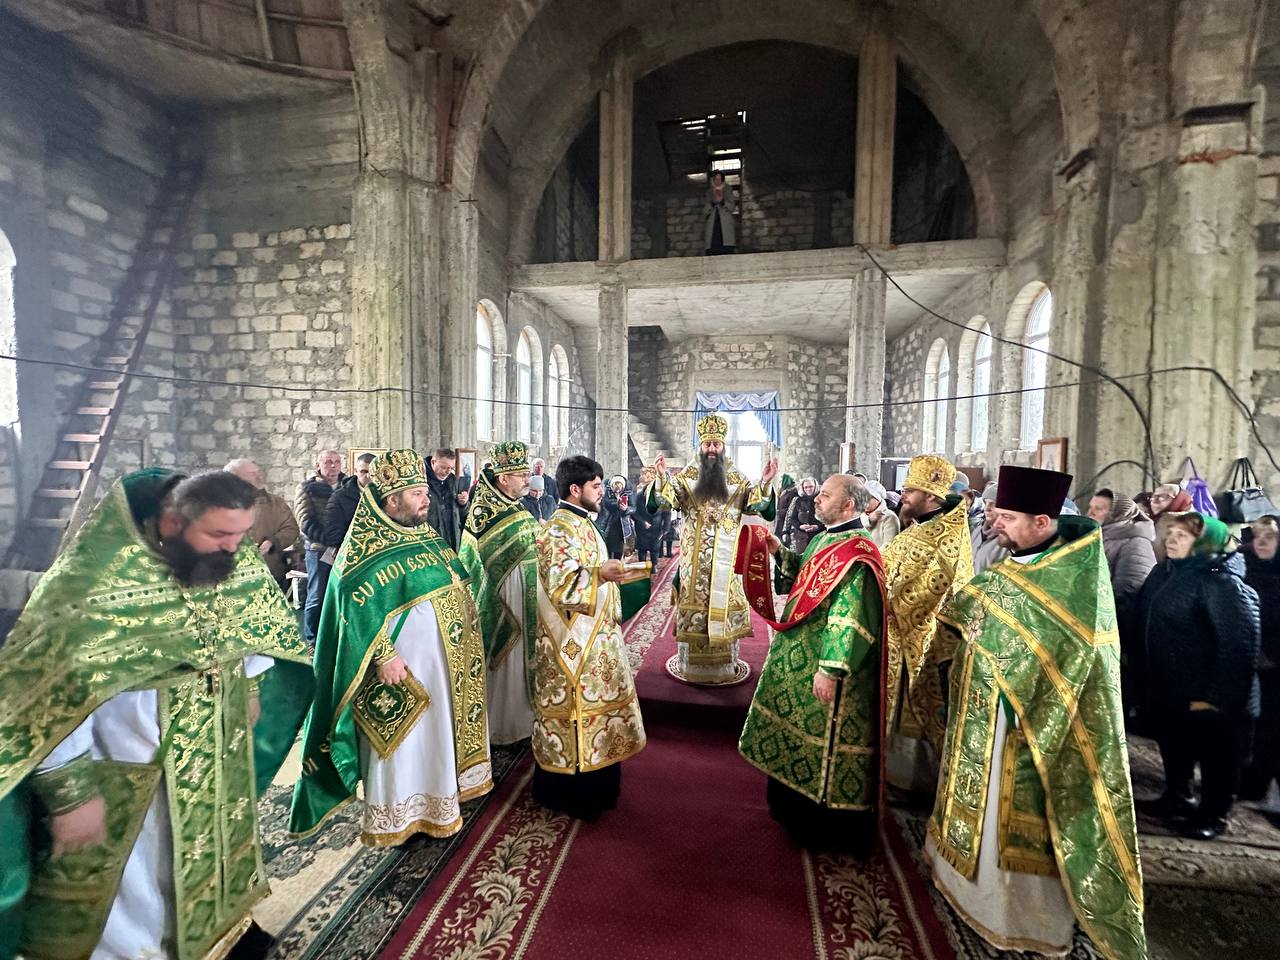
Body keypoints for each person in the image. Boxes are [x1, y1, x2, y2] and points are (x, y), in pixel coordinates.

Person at [0, 469, 310, 960]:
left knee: (217, 849)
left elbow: (252, 622)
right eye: (220, 535)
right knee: (143, 874)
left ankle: (222, 935)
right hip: (131, 765)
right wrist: (70, 792)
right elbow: (47, 690)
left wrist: (250, 684)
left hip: (216, 750)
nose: (235, 550)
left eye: (240, 536)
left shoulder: (229, 558)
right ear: (171, 523)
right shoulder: (95, 582)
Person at [926, 465, 1146, 960]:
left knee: (1012, 820)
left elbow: (1079, 663)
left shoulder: (1076, 582)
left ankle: (1015, 918)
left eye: (1007, 517)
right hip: (981, 717)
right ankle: (963, 886)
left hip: (1029, 729)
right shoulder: (1012, 568)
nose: (994, 523)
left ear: (1042, 522)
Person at [290, 450, 491, 846]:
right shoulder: (363, 548)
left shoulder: (426, 536)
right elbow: (350, 612)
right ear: (391, 499)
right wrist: (383, 654)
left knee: (433, 740)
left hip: (440, 668)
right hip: (398, 672)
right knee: (402, 746)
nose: (426, 499)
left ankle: (437, 808)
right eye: (417, 493)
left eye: (425, 492)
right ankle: (399, 819)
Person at [739, 475, 886, 856]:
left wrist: (831, 669)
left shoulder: (858, 553)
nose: (817, 499)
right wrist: (778, 551)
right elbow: (803, 576)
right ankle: (789, 809)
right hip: (799, 653)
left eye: (825, 495)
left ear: (848, 505)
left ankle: (820, 827)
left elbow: (851, 616)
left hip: (823, 662)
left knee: (820, 737)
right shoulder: (825, 538)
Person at [532, 455, 646, 818]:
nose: (601, 492)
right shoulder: (558, 529)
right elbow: (560, 586)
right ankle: (574, 794)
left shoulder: (582, 522)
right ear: (575, 489)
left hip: (596, 639)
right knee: (576, 709)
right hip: (570, 643)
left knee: (598, 707)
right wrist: (599, 573)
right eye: (596, 486)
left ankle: (599, 783)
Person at [1135, 512, 1260, 840]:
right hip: (1173, 686)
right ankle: (1177, 796)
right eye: (1171, 533)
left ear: (1205, 544)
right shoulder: (1166, 571)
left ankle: (1213, 815)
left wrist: (1217, 700)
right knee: (1175, 744)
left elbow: (1238, 647)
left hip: (1212, 692)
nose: (1171, 539)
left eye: (1182, 536)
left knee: (1217, 756)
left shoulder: (1222, 582)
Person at [649, 414, 778, 685]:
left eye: (716, 444)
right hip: (693, 566)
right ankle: (691, 667)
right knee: (695, 610)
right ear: (700, 446)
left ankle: (723, 668)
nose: (711, 449)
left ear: (723, 447)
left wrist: (766, 482)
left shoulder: (737, 479)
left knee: (723, 610)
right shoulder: (687, 478)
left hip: (725, 566)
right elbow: (663, 501)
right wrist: (661, 477)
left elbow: (758, 506)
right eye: (706, 443)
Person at [881, 455, 973, 793]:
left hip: (922, 639)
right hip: (896, 634)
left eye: (910, 490)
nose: (903, 495)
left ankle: (915, 782)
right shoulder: (920, 526)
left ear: (931, 497)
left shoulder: (948, 537)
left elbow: (931, 591)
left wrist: (885, 601)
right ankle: (893, 773)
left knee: (916, 711)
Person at [457, 442, 539, 746]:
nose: (527, 480)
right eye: (521, 475)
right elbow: (473, 565)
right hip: (503, 603)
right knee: (508, 664)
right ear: (503, 478)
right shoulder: (482, 512)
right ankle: (503, 727)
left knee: (526, 661)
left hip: (527, 597)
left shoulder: (514, 505)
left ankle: (525, 720)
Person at [1094, 491, 1158, 719]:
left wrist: (1104, 616)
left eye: (1099, 509)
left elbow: (1130, 589)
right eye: (1091, 507)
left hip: (1115, 627)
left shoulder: (1136, 543)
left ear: (1117, 513)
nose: (1091, 512)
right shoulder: (1101, 536)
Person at [1243, 517, 1280, 808]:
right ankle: (1248, 784)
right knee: (1250, 728)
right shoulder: (1247, 570)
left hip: (1274, 667)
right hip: (1249, 662)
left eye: (1271, 536)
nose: (1263, 541)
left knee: (1270, 731)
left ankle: (1262, 786)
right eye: (1258, 536)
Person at [294, 448, 344, 643]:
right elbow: (305, 521)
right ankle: (313, 639)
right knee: (317, 595)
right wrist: (330, 541)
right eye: (328, 462)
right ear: (318, 465)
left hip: (344, 549)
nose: (333, 466)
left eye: (337, 462)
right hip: (319, 550)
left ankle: (336, 637)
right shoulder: (307, 488)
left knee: (340, 593)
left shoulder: (347, 486)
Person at [226, 457, 301, 585]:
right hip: (232, 574)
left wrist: (272, 542)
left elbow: (291, 529)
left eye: (258, 472)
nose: (259, 476)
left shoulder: (276, 503)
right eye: (252, 473)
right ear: (236, 477)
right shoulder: (219, 505)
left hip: (269, 569)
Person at [321, 451, 375, 548]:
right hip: (352, 549)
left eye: (373, 472)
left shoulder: (387, 494)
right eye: (364, 471)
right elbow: (333, 533)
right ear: (356, 471)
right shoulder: (339, 497)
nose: (368, 476)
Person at [425, 448, 469, 550]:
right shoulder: (421, 482)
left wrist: (464, 504)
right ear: (433, 462)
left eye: (451, 468)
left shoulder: (453, 481)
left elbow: (462, 515)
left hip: (453, 543)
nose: (447, 472)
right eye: (444, 467)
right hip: (430, 543)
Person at [632, 466, 667, 566]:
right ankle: (642, 566)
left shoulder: (661, 497)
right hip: (642, 528)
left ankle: (654, 565)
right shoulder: (638, 497)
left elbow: (666, 513)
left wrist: (666, 528)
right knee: (642, 549)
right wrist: (643, 522)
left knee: (655, 549)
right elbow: (634, 512)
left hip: (656, 527)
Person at [596, 476, 634, 560]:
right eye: (615, 487)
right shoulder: (607, 493)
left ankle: (617, 562)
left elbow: (633, 508)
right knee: (607, 548)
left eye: (619, 487)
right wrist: (617, 503)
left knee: (619, 550)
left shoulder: (628, 493)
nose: (617, 490)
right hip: (609, 524)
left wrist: (626, 509)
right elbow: (606, 503)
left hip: (622, 525)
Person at [782, 476, 822, 554]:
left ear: (816, 486)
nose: (808, 489)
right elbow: (792, 518)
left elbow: (829, 518)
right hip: (800, 538)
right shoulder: (798, 500)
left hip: (818, 537)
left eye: (811, 486)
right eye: (805, 487)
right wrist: (800, 526)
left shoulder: (822, 500)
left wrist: (817, 527)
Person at [704, 170, 737, 255]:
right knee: (713, 249)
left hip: (725, 224)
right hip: (713, 224)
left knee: (726, 248)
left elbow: (732, 207)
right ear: (713, 180)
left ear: (722, 180)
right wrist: (712, 203)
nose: (717, 181)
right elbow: (705, 211)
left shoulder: (728, 189)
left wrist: (722, 201)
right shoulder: (709, 192)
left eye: (719, 179)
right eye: (716, 179)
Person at [862, 479, 900, 550]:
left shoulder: (890, 517)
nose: (864, 501)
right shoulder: (859, 515)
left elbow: (889, 545)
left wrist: (871, 556)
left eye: (868, 498)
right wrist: (868, 520)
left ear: (878, 499)